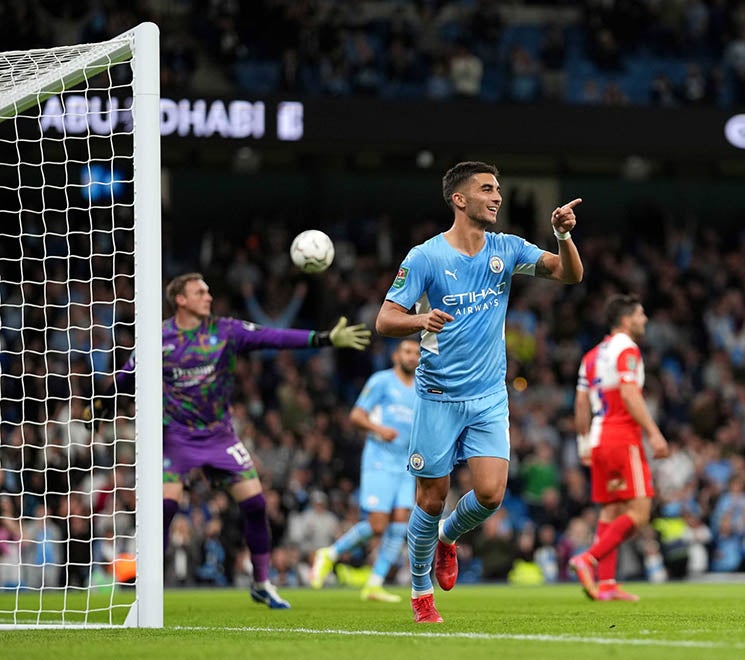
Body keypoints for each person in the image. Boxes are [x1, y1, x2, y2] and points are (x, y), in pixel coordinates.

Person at [374, 161, 584, 623]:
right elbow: (384, 319)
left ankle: (448, 538)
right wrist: (418, 320)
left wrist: (562, 237)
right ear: (460, 199)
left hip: (489, 395)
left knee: (490, 495)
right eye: (487, 189)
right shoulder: (425, 257)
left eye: (499, 189)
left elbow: (569, 275)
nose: (498, 197)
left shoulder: (506, 248)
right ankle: (419, 591)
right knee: (430, 498)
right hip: (437, 396)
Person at [84, 272, 370, 609]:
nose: (208, 296)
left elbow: (272, 337)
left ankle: (262, 582)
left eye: (208, 290)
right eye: (200, 292)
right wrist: (103, 404)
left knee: (256, 504)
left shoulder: (225, 331)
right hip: (176, 437)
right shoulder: (158, 338)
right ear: (181, 299)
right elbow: (127, 376)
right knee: (165, 507)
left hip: (220, 437)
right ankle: (148, 588)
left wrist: (323, 339)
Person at [569, 293, 669, 601]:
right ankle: (589, 558)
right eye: (640, 315)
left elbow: (581, 401)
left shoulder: (591, 355)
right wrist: (653, 433)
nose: (645, 320)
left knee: (611, 510)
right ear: (626, 320)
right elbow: (628, 393)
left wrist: (583, 442)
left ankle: (607, 584)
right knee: (640, 512)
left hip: (599, 438)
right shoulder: (627, 348)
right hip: (622, 436)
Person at [310, 339, 420, 603]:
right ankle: (330, 554)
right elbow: (356, 415)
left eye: (417, 353)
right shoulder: (381, 381)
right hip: (379, 461)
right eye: (407, 351)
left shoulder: (421, 388)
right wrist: (379, 430)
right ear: (396, 356)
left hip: (406, 465)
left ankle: (374, 583)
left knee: (399, 524)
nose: (412, 357)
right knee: (377, 525)